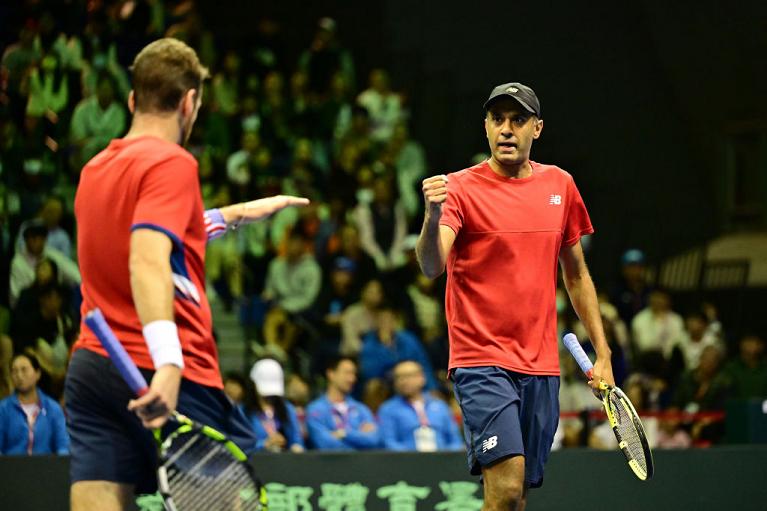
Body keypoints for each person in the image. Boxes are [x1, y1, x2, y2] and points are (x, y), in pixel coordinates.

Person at [64, 38, 308, 511]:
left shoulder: (95, 168)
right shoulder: (173, 161)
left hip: (95, 365)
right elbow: (149, 256)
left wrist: (234, 214)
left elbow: (146, 232)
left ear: (133, 99)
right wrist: (169, 362)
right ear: (190, 102)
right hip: (168, 370)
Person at [416, 82, 614, 511]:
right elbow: (432, 265)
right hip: (481, 360)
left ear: (537, 129)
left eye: (518, 120)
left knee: (516, 497)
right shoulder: (459, 190)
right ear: (486, 127)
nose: (507, 129)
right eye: (498, 120)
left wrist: (603, 353)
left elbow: (577, 275)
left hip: (541, 365)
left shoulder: (560, 185)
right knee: (505, 488)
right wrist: (432, 216)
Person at [377, 360, 463, 452]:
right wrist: (414, 458)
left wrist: (444, 456)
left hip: (442, 461)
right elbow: (388, 442)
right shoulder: (388, 409)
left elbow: (455, 440)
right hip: (406, 462)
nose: (403, 381)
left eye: (408, 376)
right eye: (398, 377)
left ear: (422, 378)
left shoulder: (440, 406)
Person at [305, 356, 380, 450]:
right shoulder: (315, 409)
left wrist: (344, 434)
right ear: (331, 374)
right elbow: (325, 444)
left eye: (354, 374)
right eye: (347, 373)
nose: (352, 379)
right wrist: (359, 439)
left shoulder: (361, 409)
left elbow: (374, 440)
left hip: (361, 464)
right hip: (329, 464)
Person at [0, 353, 69, 455]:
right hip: (11, 469)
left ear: (37, 373)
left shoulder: (53, 408)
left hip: (46, 469)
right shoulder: (3, 409)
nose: (19, 376)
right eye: (14, 371)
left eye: (24, 370)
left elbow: (63, 446)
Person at [247, 358, 304, 453]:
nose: (269, 395)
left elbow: (296, 439)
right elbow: (240, 445)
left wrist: (296, 446)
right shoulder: (244, 411)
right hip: (255, 462)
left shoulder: (287, 409)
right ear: (253, 384)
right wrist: (264, 444)